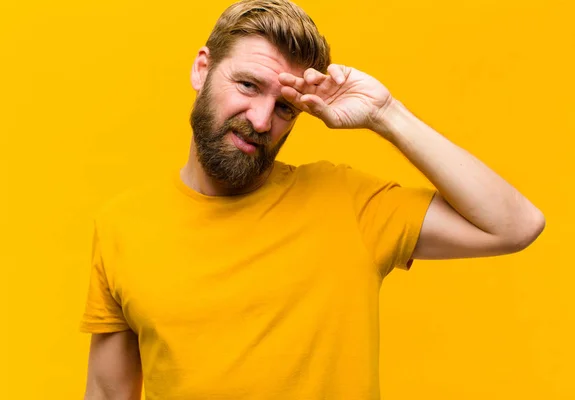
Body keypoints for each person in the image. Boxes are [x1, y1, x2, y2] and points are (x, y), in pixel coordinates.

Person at [80, 0, 545, 399]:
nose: (261, 121)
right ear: (203, 68)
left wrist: (386, 114)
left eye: (285, 107)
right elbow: (107, 392)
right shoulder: (123, 224)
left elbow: (514, 225)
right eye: (247, 86)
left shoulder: (348, 203)